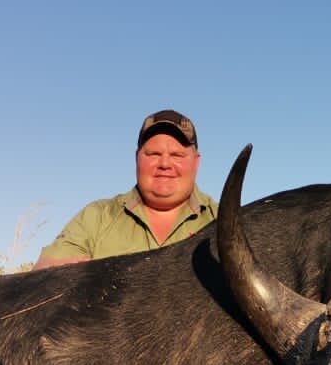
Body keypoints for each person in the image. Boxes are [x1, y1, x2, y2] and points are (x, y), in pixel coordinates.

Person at [33, 109, 217, 269]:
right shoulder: (96, 217)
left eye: (177, 155)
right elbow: (43, 280)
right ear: (137, 158)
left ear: (197, 162)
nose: (165, 164)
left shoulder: (223, 220)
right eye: (153, 154)